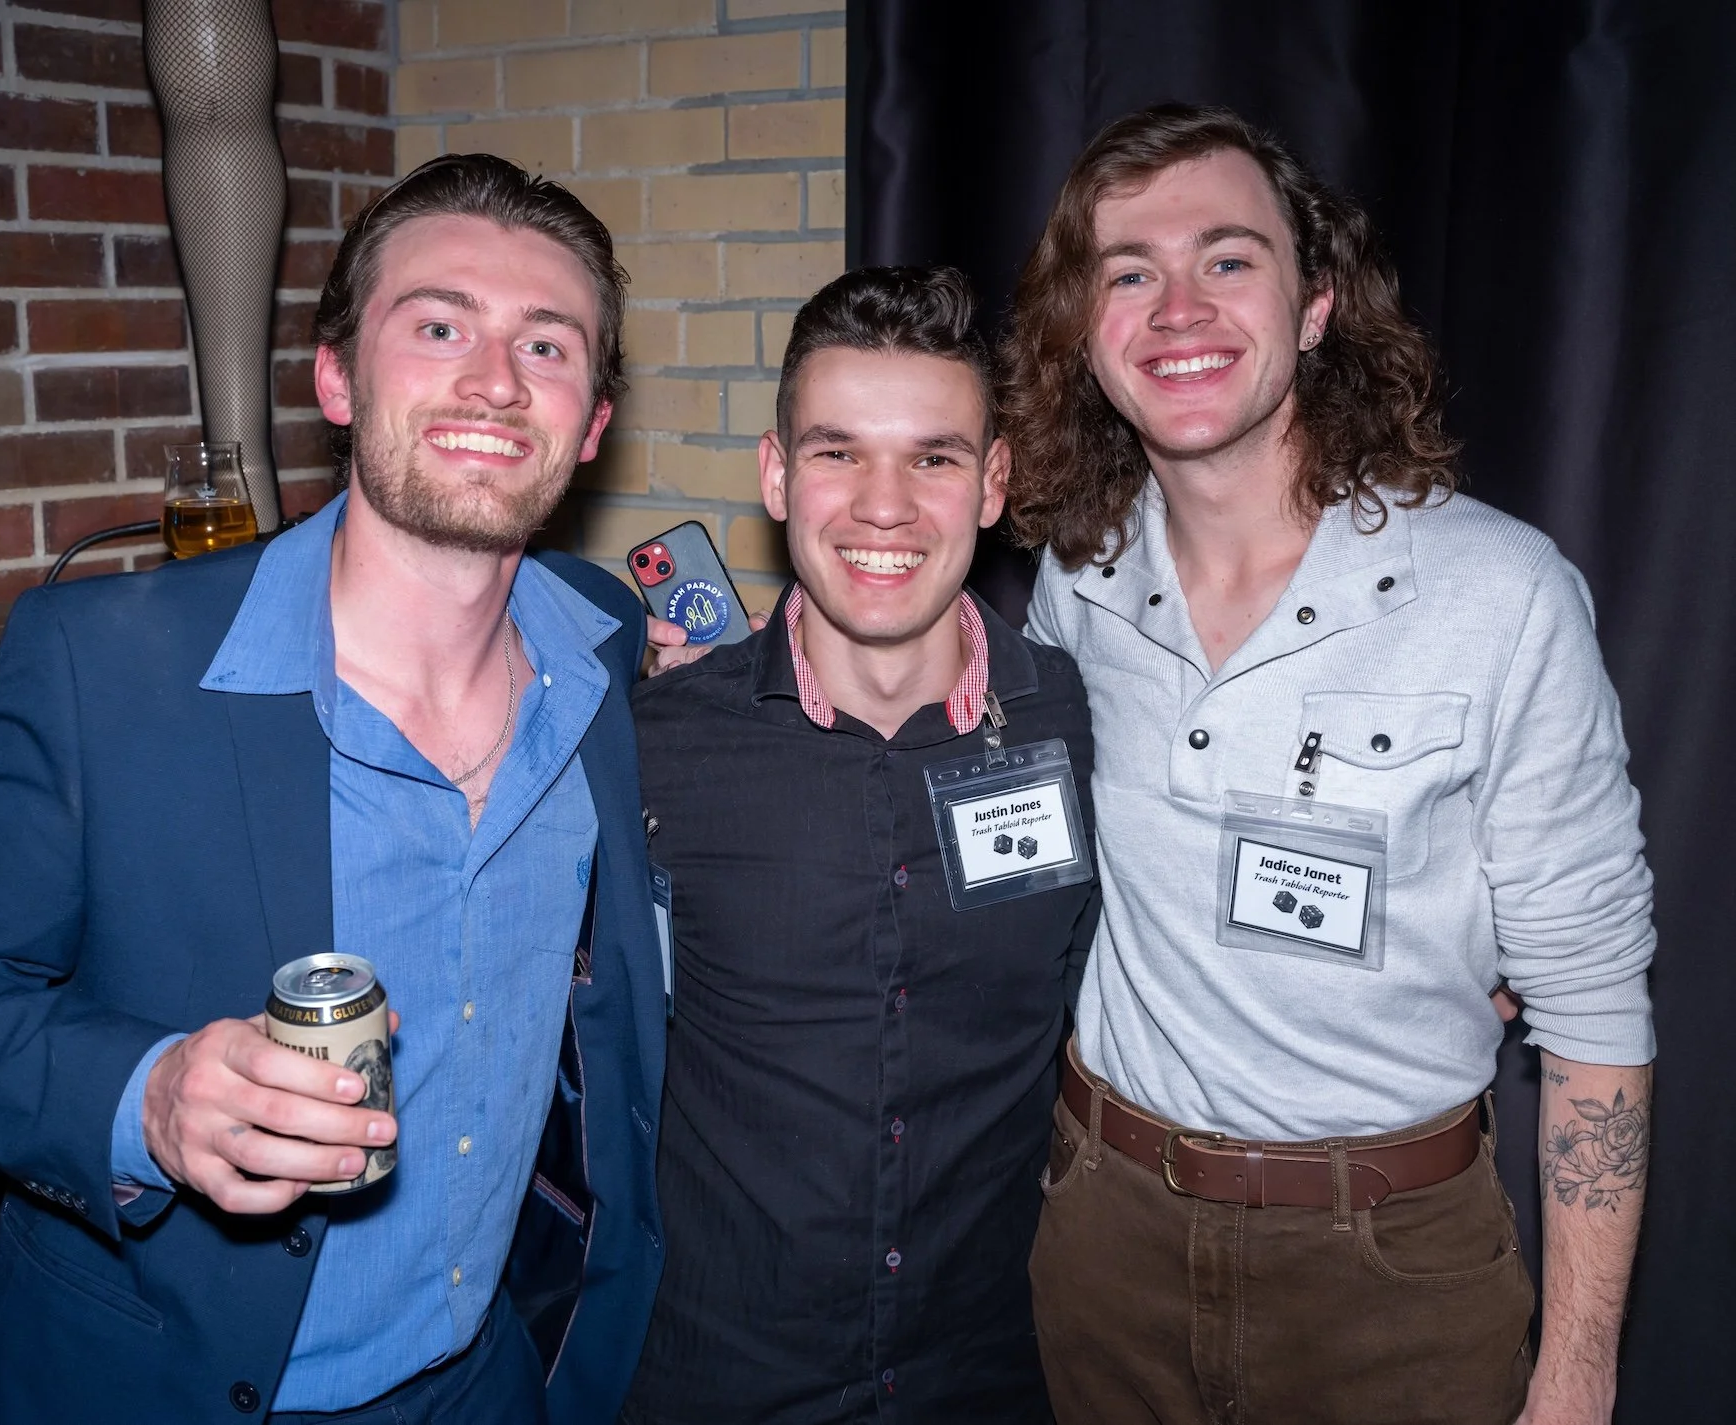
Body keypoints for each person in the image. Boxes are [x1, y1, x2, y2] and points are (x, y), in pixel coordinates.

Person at [0, 155, 665, 1425]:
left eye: (547, 347)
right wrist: (145, 1101)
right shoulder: (96, 668)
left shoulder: (606, 644)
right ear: (336, 378)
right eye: (439, 326)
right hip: (153, 1386)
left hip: (487, 1380)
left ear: (592, 422)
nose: (494, 381)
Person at [1001, 105, 1655, 1425]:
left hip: (1391, 1277)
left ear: (1314, 308)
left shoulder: (1500, 592)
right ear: (1088, 338)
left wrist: (1578, 1375)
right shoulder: (1077, 578)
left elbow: (1590, 1010)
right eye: (1127, 273)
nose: (1176, 306)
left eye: (1227, 259)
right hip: (1101, 1239)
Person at [624, 267, 1100, 1423]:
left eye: (933, 457)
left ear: (991, 485)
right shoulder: (650, 736)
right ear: (778, 477)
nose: (883, 507)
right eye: (837, 453)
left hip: (988, 1379)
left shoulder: (1080, 725)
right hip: (714, 1380)